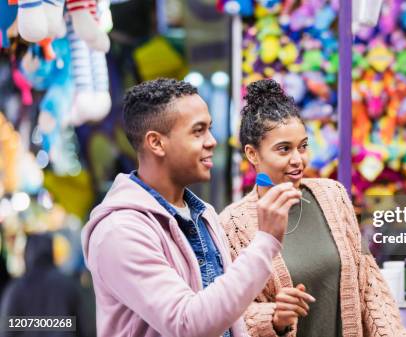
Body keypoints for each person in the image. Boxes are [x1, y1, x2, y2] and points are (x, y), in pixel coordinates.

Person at [81, 78, 303, 337]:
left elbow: (226, 317)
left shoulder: (203, 213)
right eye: (198, 131)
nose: (212, 142)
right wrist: (265, 242)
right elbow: (188, 324)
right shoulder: (119, 231)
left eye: (210, 129)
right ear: (156, 143)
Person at [219, 79, 406, 337]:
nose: (298, 160)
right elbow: (229, 314)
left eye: (303, 146)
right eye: (284, 149)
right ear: (252, 154)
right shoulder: (231, 225)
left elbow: (369, 283)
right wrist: (273, 317)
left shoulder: (333, 196)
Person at [0, 233, 89, 337]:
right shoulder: (68, 285)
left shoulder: (15, 289)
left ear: (27, 254)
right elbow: (84, 326)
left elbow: (6, 331)